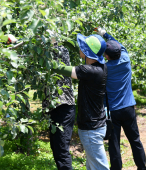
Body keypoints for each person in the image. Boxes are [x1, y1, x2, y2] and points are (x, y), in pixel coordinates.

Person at [52, 33, 109, 170]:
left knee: (100, 167)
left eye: (82, 46)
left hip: (91, 129)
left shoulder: (89, 71)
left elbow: (58, 68)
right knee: (93, 165)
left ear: (87, 52)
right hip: (96, 125)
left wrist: (53, 44)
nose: (79, 47)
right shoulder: (101, 68)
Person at [96, 27, 146, 170]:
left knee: (114, 143)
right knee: (135, 140)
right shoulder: (126, 59)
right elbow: (116, 43)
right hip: (129, 108)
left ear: (107, 55)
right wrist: (105, 33)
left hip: (113, 111)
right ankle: (142, 168)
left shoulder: (104, 68)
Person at [42, 30, 76, 170]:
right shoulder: (44, 53)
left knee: (61, 150)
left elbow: (55, 55)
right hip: (54, 108)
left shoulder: (62, 51)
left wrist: (50, 39)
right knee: (56, 148)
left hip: (64, 107)